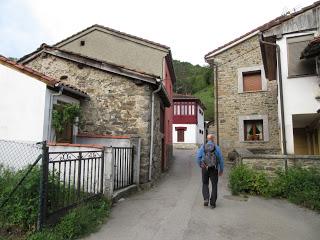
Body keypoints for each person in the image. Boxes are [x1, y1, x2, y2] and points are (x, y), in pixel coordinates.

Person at [196, 134, 224, 209]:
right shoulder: (216, 147)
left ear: (207, 139)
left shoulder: (203, 147)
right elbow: (221, 159)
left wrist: (200, 165)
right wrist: (221, 169)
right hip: (214, 168)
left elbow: (198, 157)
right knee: (214, 185)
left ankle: (206, 199)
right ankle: (212, 203)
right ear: (213, 139)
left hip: (205, 168)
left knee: (205, 183)